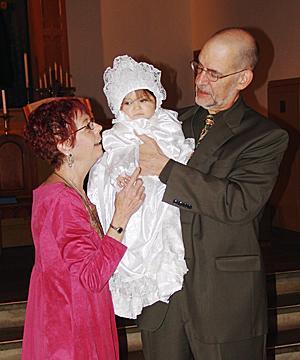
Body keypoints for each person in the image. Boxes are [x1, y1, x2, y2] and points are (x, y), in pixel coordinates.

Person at [137, 28, 289, 360]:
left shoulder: (265, 137)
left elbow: (237, 204)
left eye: (214, 73)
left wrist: (166, 169)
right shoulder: (172, 122)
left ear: (244, 79)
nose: (201, 80)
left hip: (221, 296)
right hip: (164, 295)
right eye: (199, 67)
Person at [21, 98, 145, 360]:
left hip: (74, 320)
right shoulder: (61, 200)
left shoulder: (69, 192)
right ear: (66, 144)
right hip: (71, 334)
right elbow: (91, 275)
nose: (99, 128)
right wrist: (120, 216)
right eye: (88, 126)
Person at [88, 55, 194, 319]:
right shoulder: (116, 134)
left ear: (156, 100)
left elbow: (175, 154)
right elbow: (112, 162)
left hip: (161, 190)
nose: (136, 107)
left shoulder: (166, 124)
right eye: (128, 102)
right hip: (130, 195)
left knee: (159, 232)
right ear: (118, 108)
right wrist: (119, 178)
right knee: (133, 232)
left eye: (143, 100)